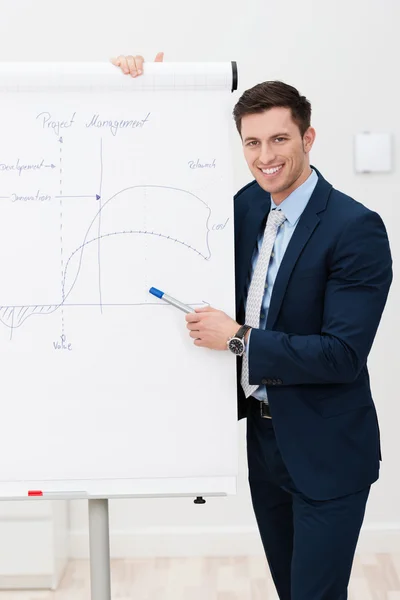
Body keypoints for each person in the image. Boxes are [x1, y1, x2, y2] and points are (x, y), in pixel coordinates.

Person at [112, 53, 393, 600]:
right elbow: (163, 191)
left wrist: (239, 339)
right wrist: (151, 84)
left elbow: (341, 354)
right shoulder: (243, 208)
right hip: (263, 442)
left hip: (328, 450)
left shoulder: (355, 228)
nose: (266, 157)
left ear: (308, 138)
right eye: (252, 143)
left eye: (279, 140)